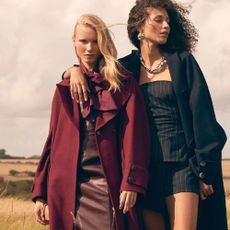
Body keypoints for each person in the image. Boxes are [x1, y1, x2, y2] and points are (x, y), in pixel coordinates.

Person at [62, 1, 228, 229]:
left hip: (182, 166)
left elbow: (203, 117)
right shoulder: (123, 69)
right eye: (158, 20)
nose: (165, 26)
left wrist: (204, 170)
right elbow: (93, 73)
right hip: (144, 171)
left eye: (168, 21)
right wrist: (73, 70)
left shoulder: (182, 62)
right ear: (139, 26)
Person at [32, 14, 151, 230]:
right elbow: (52, 142)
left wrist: (132, 182)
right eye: (83, 41)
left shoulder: (123, 84)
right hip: (67, 188)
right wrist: (40, 192)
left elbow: (135, 137)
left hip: (107, 186)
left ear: (103, 42)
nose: (89, 48)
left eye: (95, 41)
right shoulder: (64, 90)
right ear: (73, 42)